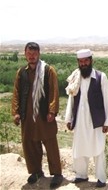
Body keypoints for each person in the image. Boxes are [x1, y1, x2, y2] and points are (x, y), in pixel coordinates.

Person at [11, 42, 63, 188]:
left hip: (44, 115)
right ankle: (36, 172)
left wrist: (52, 111)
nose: (32, 57)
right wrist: (15, 112)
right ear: (25, 54)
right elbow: (16, 93)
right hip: (27, 116)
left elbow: (54, 91)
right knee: (30, 144)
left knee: (50, 144)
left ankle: (57, 174)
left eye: (34, 54)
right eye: (29, 54)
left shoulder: (48, 70)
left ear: (39, 54)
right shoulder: (22, 72)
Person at [65, 49, 108, 188]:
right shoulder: (75, 77)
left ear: (91, 61)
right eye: (81, 61)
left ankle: (101, 179)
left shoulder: (101, 77)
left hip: (96, 120)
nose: (83, 64)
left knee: (98, 149)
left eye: (86, 61)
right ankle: (81, 175)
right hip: (79, 119)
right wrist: (68, 118)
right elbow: (71, 99)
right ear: (78, 62)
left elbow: (107, 100)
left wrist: (107, 121)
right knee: (79, 147)